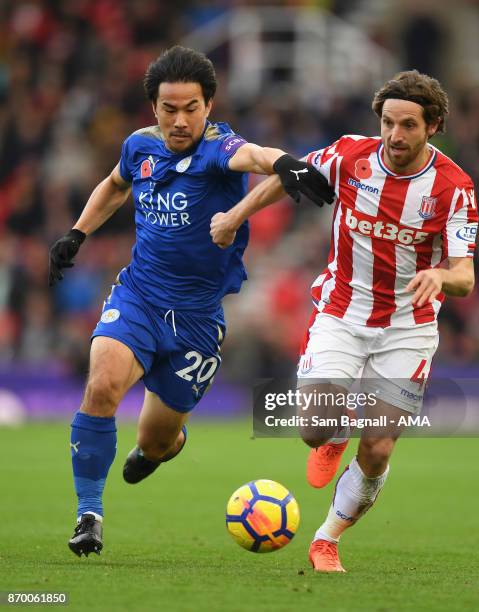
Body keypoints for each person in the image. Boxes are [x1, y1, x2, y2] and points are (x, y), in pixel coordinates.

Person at [48, 45, 334, 558]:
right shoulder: (140, 146)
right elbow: (115, 185)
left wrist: (286, 163)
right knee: (102, 385)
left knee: (155, 440)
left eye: (192, 109)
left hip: (198, 321)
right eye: (169, 109)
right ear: (153, 108)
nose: (180, 121)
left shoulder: (219, 149)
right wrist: (77, 233)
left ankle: (167, 446)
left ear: (210, 105)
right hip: (138, 295)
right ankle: (88, 513)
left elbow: (256, 156)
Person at [210, 70, 478, 572]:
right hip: (341, 311)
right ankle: (333, 436)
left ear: (433, 126)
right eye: (388, 123)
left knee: (377, 446)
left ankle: (327, 537)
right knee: (313, 428)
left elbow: (465, 276)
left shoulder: (454, 189)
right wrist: (234, 216)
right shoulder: (350, 156)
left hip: (409, 325)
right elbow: (286, 178)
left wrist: (441, 277)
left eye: (408, 126)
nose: (395, 136)